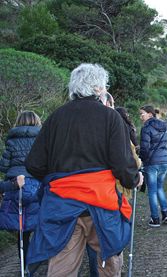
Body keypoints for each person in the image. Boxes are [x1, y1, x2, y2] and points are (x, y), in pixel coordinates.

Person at [24, 63, 142, 277]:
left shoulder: (55, 118)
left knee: (62, 268)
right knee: (109, 262)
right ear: (99, 88)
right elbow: (123, 165)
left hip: (62, 205)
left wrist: (59, 178)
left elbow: (34, 164)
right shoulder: (111, 117)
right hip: (102, 204)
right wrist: (135, 179)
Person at [0, 111, 42, 269]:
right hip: (36, 185)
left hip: (16, 185)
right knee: (37, 224)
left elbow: (3, 166)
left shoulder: (11, 140)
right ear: (37, 122)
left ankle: (24, 265)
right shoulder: (41, 139)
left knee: (21, 229)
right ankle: (34, 265)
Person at [139, 105, 167, 227]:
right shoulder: (164, 126)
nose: (141, 116)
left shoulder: (146, 128)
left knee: (152, 191)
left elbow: (145, 148)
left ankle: (155, 219)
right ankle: (165, 213)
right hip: (164, 161)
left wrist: (141, 159)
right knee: (159, 188)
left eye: (142, 114)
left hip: (152, 163)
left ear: (150, 114)